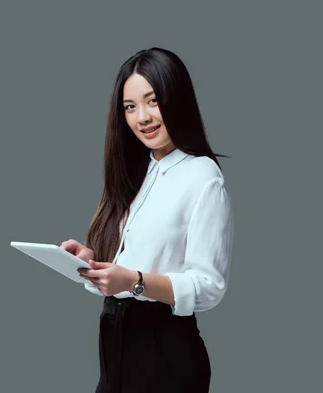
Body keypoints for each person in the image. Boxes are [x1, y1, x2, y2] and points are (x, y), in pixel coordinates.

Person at [60, 47, 234, 393]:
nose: (143, 117)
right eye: (130, 107)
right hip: (115, 342)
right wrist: (91, 264)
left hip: (163, 347)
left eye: (153, 101)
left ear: (177, 99)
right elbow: (133, 263)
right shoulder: (138, 171)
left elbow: (209, 286)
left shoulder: (203, 177)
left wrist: (134, 282)